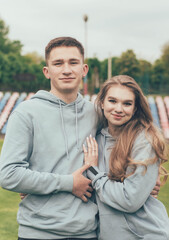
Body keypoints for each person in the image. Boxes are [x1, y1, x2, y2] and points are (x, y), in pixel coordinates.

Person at [0, 37, 99, 240]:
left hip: (88, 233)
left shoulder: (96, 113)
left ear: (84, 69)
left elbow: (119, 152)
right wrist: (67, 182)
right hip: (38, 232)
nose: (66, 69)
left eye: (73, 62)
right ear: (47, 71)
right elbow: (9, 174)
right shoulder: (26, 113)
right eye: (58, 63)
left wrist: (143, 180)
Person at [83, 75, 169, 240]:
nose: (118, 109)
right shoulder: (95, 139)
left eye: (127, 103)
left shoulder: (144, 140)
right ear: (102, 102)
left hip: (146, 235)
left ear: (135, 108)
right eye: (113, 101)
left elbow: (130, 200)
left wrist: (94, 172)